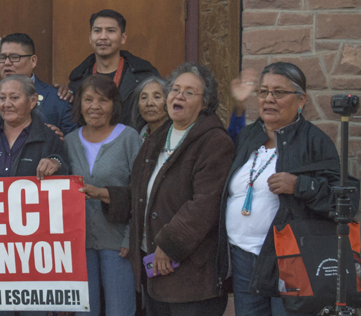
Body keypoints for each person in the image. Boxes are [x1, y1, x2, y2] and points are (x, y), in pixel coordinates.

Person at [217, 62, 358, 316]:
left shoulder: (315, 140)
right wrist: (237, 106)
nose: (269, 99)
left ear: (301, 99)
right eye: (263, 92)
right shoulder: (249, 136)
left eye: (278, 93)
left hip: (291, 261)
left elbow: (346, 200)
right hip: (243, 258)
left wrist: (300, 185)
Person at [97, 62, 234, 316]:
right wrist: (106, 195)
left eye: (189, 92)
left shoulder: (214, 142)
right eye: (175, 89)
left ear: (205, 104)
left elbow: (205, 204)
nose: (178, 95)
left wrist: (169, 245)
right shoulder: (158, 137)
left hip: (192, 277)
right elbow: (144, 194)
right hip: (155, 273)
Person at [68, 75, 141, 316]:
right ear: (79, 104)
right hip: (79, 245)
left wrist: (130, 237)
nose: (94, 106)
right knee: (84, 311)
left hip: (118, 242)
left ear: (114, 105)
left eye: (103, 100)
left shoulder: (129, 138)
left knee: (120, 310)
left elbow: (142, 191)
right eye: (88, 99)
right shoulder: (69, 142)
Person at [0, 33, 77, 156]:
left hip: (38, 174)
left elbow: (75, 146)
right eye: (2, 57)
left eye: (14, 57)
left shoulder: (58, 98)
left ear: (33, 61)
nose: (6, 63)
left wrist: (61, 143)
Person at [0, 74, 69, 182]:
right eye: (2, 98)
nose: (6, 104)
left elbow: (66, 179)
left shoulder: (49, 139)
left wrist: (56, 163)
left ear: (33, 100)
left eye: (14, 98)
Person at [65, 9, 160, 127]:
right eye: (97, 31)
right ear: (90, 38)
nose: (103, 37)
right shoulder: (78, 80)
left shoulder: (143, 77)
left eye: (110, 31)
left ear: (123, 38)